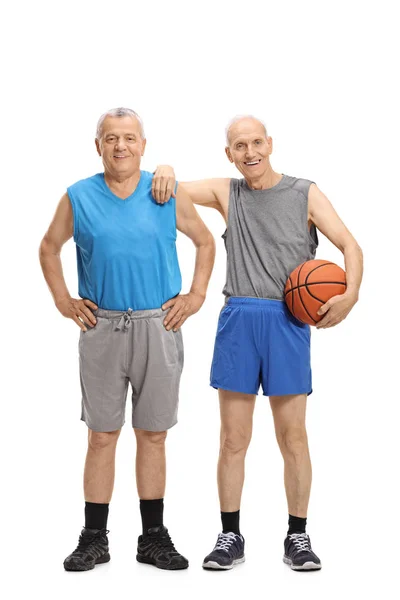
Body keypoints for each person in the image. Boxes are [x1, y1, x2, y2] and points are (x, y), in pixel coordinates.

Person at [152, 115, 363, 570]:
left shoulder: (305, 192)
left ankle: (298, 537)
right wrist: (164, 167)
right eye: (238, 146)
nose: (249, 153)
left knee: (293, 438)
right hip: (240, 318)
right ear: (229, 154)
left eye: (255, 143)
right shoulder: (228, 192)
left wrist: (351, 294)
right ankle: (230, 536)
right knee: (233, 439)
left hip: (288, 320)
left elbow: (350, 246)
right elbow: (170, 188)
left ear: (270, 143)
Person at [39, 107, 215, 572]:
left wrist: (196, 294)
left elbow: (205, 241)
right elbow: (48, 247)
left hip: (160, 325)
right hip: (102, 328)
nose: (121, 146)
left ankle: (152, 538)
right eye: (111, 138)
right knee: (101, 435)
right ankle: (94, 537)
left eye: (130, 138)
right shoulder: (78, 196)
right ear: (97, 145)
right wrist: (63, 300)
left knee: (153, 435)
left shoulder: (164, 191)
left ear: (143, 144)